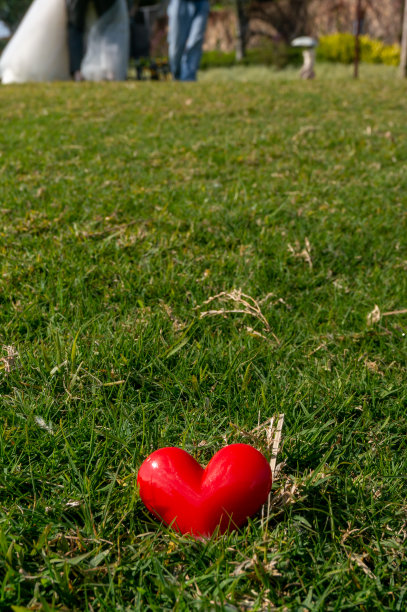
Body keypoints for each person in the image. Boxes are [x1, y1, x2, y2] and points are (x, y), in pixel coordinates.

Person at [167, 0, 209, 81]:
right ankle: (176, 76)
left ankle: (188, 78)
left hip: (201, 3)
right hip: (179, 3)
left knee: (196, 40)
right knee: (176, 45)